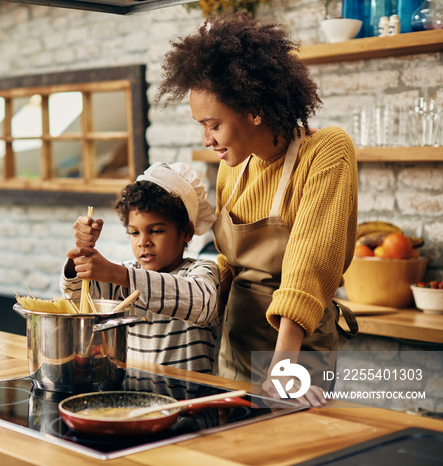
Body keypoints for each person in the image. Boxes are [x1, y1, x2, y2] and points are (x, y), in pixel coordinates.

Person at [155, 13, 359, 405]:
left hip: (296, 349)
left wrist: (283, 366)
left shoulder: (326, 151)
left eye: (213, 124)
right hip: (237, 341)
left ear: (253, 109)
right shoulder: (233, 167)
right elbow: (229, 262)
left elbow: (308, 264)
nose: (207, 139)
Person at [61, 162, 220, 374]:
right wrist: (78, 258)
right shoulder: (123, 277)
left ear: (186, 232)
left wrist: (119, 274)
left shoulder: (201, 271)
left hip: (189, 399)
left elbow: (203, 303)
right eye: (134, 233)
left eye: (155, 231)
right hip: (133, 396)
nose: (143, 242)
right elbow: (77, 298)